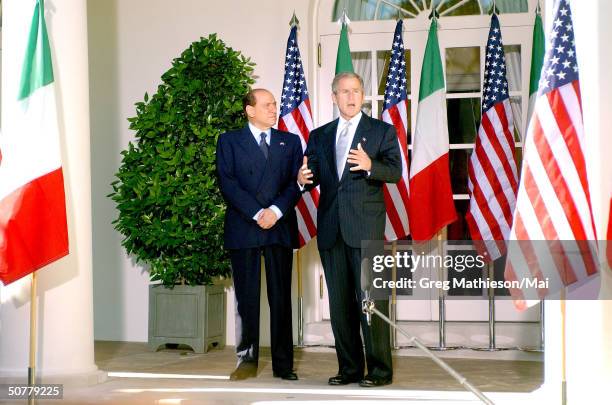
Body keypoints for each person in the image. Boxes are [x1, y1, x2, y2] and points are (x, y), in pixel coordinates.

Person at [298, 72, 401, 387]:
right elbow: (313, 174)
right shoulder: (319, 135)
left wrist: (371, 165)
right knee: (340, 304)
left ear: (363, 95)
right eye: (344, 91)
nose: (351, 96)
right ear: (334, 97)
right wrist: (303, 181)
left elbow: (395, 172)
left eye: (356, 90)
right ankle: (350, 369)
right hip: (331, 229)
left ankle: (380, 371)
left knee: (371, 300)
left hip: (366, 228)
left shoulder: (381, 131)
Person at [216, 88, 302, 381]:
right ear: (249, 110)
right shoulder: (228, 141)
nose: (273, 109)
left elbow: (296, 183)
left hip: (278, 227)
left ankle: (283, 365)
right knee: (246, 299)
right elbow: (227, 183)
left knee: (280, 299)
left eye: (274, 104)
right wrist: (257, 213)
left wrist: (275, 212)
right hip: (244, 227)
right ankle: (246, 362)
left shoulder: (289, 142)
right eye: (266, 105)